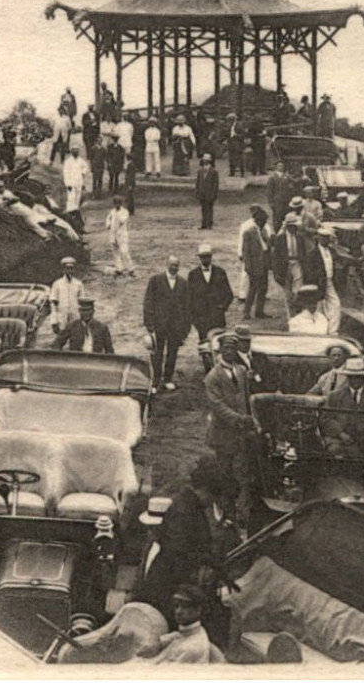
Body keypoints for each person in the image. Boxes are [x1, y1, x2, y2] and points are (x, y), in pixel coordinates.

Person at [136, 459, 227, 617]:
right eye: (213, 497)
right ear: (206, 491)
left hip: (172, 578)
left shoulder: (190, 505)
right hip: (169, 582)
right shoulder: (184, 510)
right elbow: (178, 550)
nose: (213, 502)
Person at [204, 330, 260, 526]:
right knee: (225, 474)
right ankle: (226, 513)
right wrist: (239, 419)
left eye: (233, 348)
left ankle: (242, 513)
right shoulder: (213, 377)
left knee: (243, 473)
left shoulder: (241, 372)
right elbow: (217, 406)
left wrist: (250, 421)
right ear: (220, 350)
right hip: (223, 434)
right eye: (226, 348)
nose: (230, 352)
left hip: (241, 433)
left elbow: (245, 398)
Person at [321, 357, 364, 458]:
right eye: (351, 377)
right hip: (340, 438)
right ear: (347, 377)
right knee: (334, 450)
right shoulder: (334, 396)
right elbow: (326, 419)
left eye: (359, 377)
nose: (355, 380)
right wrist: (340, 433)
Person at [143, 256, 192, 391]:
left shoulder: (183, 283)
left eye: (176, 265)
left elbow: (187, 307)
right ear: (166, 265)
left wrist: (185, 329)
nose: (174, 268)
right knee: (157, 353)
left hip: (175, 326)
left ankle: (168, 378)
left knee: (172, 353)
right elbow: (148, 302)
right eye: (172, 265)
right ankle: (155, 381)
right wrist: (149, 324)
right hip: (159, 325)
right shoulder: (155, 280)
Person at [186, 243, 234, 370]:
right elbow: (188, 298)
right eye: (203, 257)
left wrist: (222, 307)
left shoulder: (220, 272)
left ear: (211, 257)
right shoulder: (193, 275)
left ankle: (220, 369)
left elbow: (229, 294)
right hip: (201, 318)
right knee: (205, 347)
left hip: (217, 317)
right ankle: (208, 371)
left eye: (207, 257)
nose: (205, 259)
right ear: (200, 258)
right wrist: (194, 318)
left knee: (219, 344)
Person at [147, 587, 217, 664]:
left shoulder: (190, 648)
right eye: (176, 606)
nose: (178, 611)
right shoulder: (188, 633)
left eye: (184, 607)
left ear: (198, 610)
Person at [0, 184, 80, 242]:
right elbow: (3, 205)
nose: (2, 188)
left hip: (23, 208)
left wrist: (12, 199)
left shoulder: (7, 192)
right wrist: (9, 201)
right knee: (31, 222)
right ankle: (46, 235)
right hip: (14, 211)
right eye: (0, 187)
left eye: (2, 187)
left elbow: (16, 198)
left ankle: (46, 222)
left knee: (33, 214)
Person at [238, 206, 272, 320]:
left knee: (263, 289)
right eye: (263, 220)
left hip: (264, 264)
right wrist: (248, 266)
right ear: (258, 220)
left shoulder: (264, 231)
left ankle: (259, 311)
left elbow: (268, 247)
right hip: (254, 265)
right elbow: (246, 252)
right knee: (252, 289)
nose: (265, 222)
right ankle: (246, 311)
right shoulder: (248, 232)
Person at [312, 224, 342, 332]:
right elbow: (309, 270)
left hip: (329, 282)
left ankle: (333, 331)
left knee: (335, 305)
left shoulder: (331, 251)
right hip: (318, 283)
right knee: (318, 308)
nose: (325, 240)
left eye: (327, 238)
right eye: (322, 237)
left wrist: (359, 261)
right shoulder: (313, 253)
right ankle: (317, 332)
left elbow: (341, 259)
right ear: (319, 238)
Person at [50, 256, 87, 331]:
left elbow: (82, 302)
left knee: (76, 336)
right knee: (61, 336)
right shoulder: (57, 284)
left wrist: (83, 319)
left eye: (72, 268)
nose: (70, 271)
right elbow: (53, 303)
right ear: (63, 270)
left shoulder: (78, 284)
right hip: (62, 316)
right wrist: (54, 321)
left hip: (75, 315)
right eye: (67, 268)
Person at [105, 195, 135, 275]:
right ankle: (119, 268)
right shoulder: (112, 212)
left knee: (124, 251)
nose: (117, 205)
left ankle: (130, 268)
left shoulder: (125, 212)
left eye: (118, 203)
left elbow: (122, 220)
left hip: (122, 235)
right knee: (115, 252)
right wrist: (108, 224)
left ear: (121, 204)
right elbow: (108, 220)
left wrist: (115, 218)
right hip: (113, 234)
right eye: (115, 203)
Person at [61, 148, 89, 220]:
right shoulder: (68, 162)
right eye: (74, 151)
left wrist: (83, 173)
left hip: (79, 182)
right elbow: (66, 173)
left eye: (77, 151)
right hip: (71, 183)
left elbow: (86, 166)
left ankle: (76, 214)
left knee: (77, 198)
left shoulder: (80, 160)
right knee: (71, 198)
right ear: (71, 152)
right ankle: (70, 214)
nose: (76, 152)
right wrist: (68, 184)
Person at [195, 153, 221, 230]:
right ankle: (204, 224)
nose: (205, 162)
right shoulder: (200, 171)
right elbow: (198, 182)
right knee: (203, 209)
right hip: (202, 192)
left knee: (209, 208)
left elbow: (215, 184)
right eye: (204, 160)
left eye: (207, 161)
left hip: (210, 193)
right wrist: (197, 191)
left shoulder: (214, 172)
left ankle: (209, 224)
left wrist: (214, 194)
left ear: (210, 161)